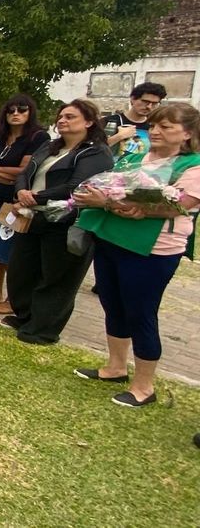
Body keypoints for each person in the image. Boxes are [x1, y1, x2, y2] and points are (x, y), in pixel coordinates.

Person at [72, 103, 199, 407]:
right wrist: (106, 201)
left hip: (152, 251)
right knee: (113, 305)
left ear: (188, 133)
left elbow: (179, 204)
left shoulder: (193, 165)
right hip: (112, 238)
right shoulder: (135, 158)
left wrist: (114, 203)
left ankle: (144, 385)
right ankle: (115, 367)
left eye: (166, 127)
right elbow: (108, 188)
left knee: (140, 313)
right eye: (154, 125)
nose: (155, 131)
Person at [0, 100, 113, 344]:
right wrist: (22, 192)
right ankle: (25, 316)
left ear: (89, 122)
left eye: (70, 117)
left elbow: (77, 186)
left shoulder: (95, 152)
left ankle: (43, 329)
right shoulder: (50, 147)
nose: (62, 120)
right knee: (22, 270)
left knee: (56, 276)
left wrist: (35, 197)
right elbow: (24, 173)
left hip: (64, 220)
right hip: (32, 216)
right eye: (61, 116)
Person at [0, 95, 50, 314]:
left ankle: (13, 299)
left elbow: (25, 172)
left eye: (22, 110)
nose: (16, 114)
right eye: (11, 110)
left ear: (30, 112)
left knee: (9, 252)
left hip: (13, 205)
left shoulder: (38, 136)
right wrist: (2, 174)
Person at [103, 81, 166, 161]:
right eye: (145, 102)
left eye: (154, 103)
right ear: (132, 99)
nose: (149, 107)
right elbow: (93, 149)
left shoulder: (154, 125)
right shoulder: (110, 122)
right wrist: (119, 136)